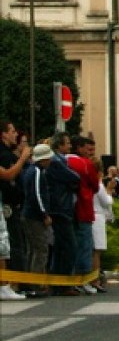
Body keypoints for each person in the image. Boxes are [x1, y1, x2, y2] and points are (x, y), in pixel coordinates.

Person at [45, 131, 81, 296]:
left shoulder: (60, 160)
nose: (70, 146)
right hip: (61, 208)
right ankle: (64, 283)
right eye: (67, 143)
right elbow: (74, 177)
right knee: (69, 246)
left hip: (61, 207)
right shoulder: (56, 162)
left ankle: (58, 283)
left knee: (60, 247)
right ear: (59, 145)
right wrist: (72, 180)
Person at [66, 135, 100, 295]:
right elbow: (95, 185)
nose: (90, 153)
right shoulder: (85, 164)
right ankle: (84, 279)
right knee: (85, 245)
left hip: (67, 209)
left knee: (70, 245)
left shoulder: (62, 161)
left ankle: (71, 278)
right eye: (87, 149)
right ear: (79, 148)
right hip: (84, 207)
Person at [19, 143, 54, 298]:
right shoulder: (38, 172)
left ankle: (29, 283)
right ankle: (36, 284)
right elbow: (37, 194)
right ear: (44, 159)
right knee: (41, 249)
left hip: (28, 214)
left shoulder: (29, 170)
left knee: (32, 249)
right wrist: (44, 214)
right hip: (34, 216)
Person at [0, 121, 31, 279]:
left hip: (14, 205)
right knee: (12, 245)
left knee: (13, 244)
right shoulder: (3, 155)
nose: (16, 134)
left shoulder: (8, 153)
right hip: (7, 207)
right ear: (4, 134)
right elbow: (8, 175)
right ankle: (17, 282)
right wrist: (23, 158)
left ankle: (14, 282)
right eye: (12, 131)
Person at [92, 158, 115, 292]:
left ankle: (93, 278)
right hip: (98, 216)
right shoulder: (98, 184)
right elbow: (106, 201)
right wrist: (109, 190)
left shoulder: (89, 182)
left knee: (92, 250)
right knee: (97, 250)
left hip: (92, 215)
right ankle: (95, 279)